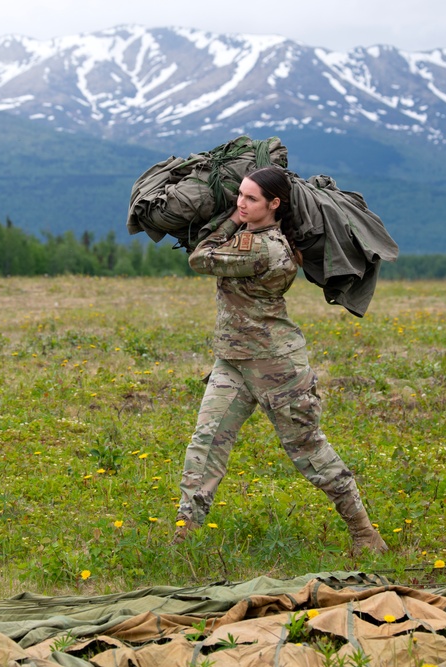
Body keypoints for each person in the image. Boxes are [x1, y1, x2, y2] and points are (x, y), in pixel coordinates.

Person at [173, 165, 387, 557]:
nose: (240, 202)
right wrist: (238, 219)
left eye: (251, 199)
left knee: (308, 450)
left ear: (274, 204)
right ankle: (185, 537)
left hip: (276, 365)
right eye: (239, 194)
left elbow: (201, 258)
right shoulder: (252, 236)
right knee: (206, 443)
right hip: (234, 359)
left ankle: (364, 534)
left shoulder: (260, 248)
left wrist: (227, 221)